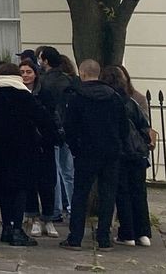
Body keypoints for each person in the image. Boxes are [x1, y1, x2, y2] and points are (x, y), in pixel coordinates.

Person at [0, 62, 56, 246]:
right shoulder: (24, 96)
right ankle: (17, 229)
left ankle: (6, 228)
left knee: (5, 190)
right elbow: (44, 119)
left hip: (0, 151)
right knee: (20, 190)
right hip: (24, 150)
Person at [59, 59, 124, 249]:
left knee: (80, 194)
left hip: (86, 152)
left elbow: (69, 127)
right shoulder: (114, 97)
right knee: (107, 195)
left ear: (82, 73)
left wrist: (75, 148)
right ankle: (104, 237)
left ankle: (75, 237)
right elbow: (123, 126)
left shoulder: (78, 97)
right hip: (110, 152)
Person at [99, 66, 152, 247]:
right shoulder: (131, 101)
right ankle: (143, 233)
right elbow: (144, 126)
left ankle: (127, 233)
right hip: (137, 152)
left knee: (122, 193)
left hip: (118, 153)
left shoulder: (106, 101)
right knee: (139, 192)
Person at [18, 59, 60, 238]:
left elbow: (52, 118)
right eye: (22, 72)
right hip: (26, 144)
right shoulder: (18, 93)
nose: (26, 75)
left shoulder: (45, 93)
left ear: (35, 73)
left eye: (28, 72)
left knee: (47, 183)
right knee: (30, 182)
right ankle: (33, 217)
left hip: (44, 143)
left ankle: (48, 218)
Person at [37, 46, 78, 224]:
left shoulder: (43, 82)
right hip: (68, 129)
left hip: (52, 129)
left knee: (54, 171)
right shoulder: (68, 80)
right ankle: (73, 207)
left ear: (45, 60)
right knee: (68, 172)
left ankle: (55, 210)